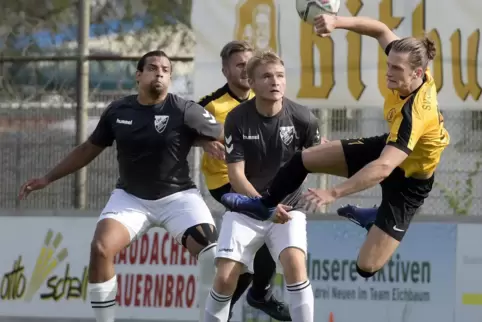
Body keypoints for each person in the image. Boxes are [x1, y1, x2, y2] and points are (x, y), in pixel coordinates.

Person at [221, 14, 450, 280]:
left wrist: (333, 192)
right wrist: (336, 21)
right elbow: (380, 29)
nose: (389, 72)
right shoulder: (410, 60)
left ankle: (376, 216)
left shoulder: (416, 112)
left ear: (418, 73)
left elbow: (384, 168)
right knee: (304, 158)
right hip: (387, 149)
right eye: (388, 64)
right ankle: (264, 205)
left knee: (366, 267)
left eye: (396, 69)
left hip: (409, 181)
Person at [18, 50, 226, 322]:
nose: (160, 72)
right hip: (131, 198)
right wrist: (48, 178)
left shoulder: (184, 109)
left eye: (165, 69)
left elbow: (227, 133)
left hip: (179, 198)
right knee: (101, 249)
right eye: (152, 67)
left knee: (212, 254)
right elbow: (87, 149)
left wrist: (202, 139)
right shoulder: (118, 111)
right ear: (138, 75)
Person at [204, 50, 320, 322]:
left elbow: (315, 161)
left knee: (294, 264)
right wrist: (264, 207)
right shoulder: (237, 118)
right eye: (266, 76)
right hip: (247, 209)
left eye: (280, 75)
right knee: (224, 277)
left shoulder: (304, 118)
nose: (275, 81)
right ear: (251, 82)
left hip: (289, 208)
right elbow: (236, 176)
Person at [199, 40, 290, 321]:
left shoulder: (265, 100)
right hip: (225, 183)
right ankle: (255, 295)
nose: (244, 69)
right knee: (262, 226)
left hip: (258, 181)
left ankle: (251, 296)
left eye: (249, 64)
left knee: (266, 236)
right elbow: (181, 127)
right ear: (225, 70)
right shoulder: (213, 104)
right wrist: (203, 140)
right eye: (239, 64)